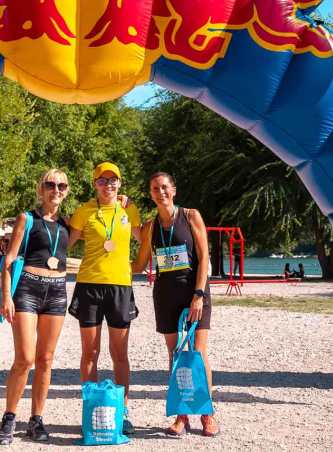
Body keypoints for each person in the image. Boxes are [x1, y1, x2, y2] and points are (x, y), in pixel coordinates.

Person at [132, 172, 219, 437]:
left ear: (174, 190)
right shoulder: (149, 227)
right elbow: (138, 265)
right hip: (165, 294)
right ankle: (182, 415)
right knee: (175, 356)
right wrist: (103, 262)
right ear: (151, 194)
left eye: (165, 187)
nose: (161, 192)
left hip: (194, 293)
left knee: (198, 355)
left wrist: (199, 294)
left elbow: (204, 257)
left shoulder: (191, 216)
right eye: (155, 189)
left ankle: (207, 413)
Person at [0, 169, 72, 445]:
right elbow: (9, 259)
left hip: (57, 293)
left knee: (46, 359)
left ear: (66, 191)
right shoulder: (26, 218)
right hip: (27, 289)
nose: (56, 189)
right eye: (50, 184)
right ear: (41, 188)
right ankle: (9, 416)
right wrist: (7, 295)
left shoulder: (68, 224)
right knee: (26, 358)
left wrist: (122, 201)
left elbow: (99, 219)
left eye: (62, 185)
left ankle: (36, 419)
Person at [67, 162, 142, 436]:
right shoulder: (84, 211)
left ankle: (122, 410)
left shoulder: (128, 208)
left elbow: (145, 238)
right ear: (94, 183)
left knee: (119, 353)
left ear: (120, 183)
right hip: (89, 285)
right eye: (102, 180)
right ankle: (90, 410)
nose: (108, 185)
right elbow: (65, 243)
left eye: (113, 180)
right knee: (90, 353)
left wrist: (142, 263)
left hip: (121, 286)